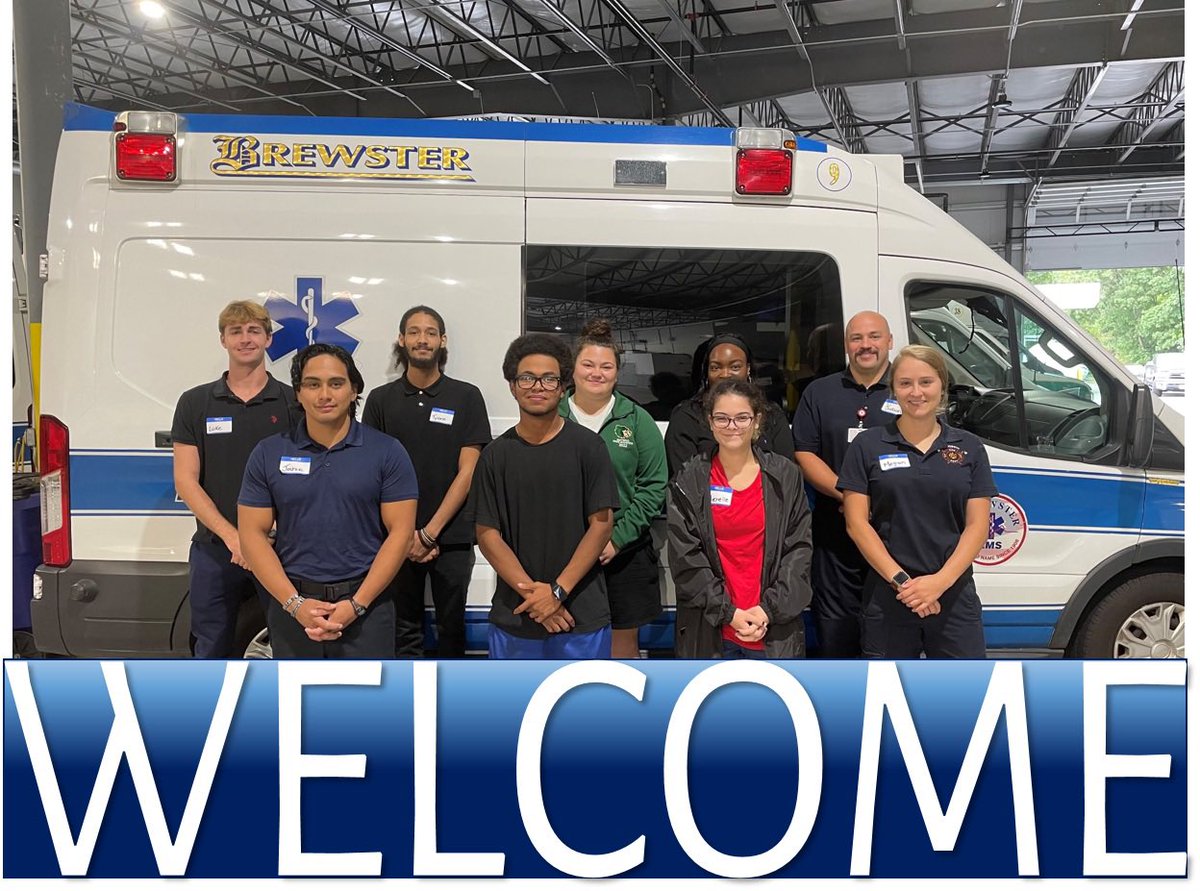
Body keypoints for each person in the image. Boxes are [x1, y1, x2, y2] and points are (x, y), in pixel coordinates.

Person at [238, 343, 418, 658]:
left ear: (354, 390)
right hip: (293, 609)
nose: (325, 394)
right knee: (297, 693)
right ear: (298, 393)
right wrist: (295, 605)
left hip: (367, 610)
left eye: (336, 383)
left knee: (367, 694)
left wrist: (357, 604)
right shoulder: (268, 453)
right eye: (313, 384)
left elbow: (401, 534)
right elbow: (252, 534)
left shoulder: (387, 452)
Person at [838, 345, 997, 659]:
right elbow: (856, 524)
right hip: (889, 596)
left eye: (926, 382)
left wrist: (938, 583)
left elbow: (978, 526)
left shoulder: (970, 447)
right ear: (893, 389)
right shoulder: (867, 445)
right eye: (905, 383)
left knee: (966, 689)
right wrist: (903, 583)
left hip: (953, 595)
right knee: (889, 688)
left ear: (942, 386)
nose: (916, 392)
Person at [469, 333, 619, 659]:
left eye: (549, 379)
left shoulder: (589, 448)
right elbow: (487, 534)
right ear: (512, 386)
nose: (537, 387)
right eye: (527, 378)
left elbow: (601, 526)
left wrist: (557, 591)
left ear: (563, 387)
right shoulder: (495, 456)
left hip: (580, 616)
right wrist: (538, 598)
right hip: (516, 616)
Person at [171, 300, 300, 658]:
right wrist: (235, 538)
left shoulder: (292, 403)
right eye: (236, 331)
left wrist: (262, 537)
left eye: (254, 331)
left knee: (288, 644)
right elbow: (186, 480)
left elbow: (306, 476)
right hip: (215, 548)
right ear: (223, 340)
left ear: (268, 339)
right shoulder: (195, 403)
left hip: (281, 548)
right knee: (211, 648)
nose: (245, 339)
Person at [363, 306, 491, 657]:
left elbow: (469, 470)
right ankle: (407, 693)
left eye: (431, 332)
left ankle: (452, 693)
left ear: (442, 341)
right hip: (395, 537)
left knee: (452, 629)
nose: (423, 339)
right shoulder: (380, 400)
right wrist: (406, 535)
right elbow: (372, 472)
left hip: (452, 537)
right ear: (401, 339)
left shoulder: (466, 396)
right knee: (403, 630)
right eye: (414, 332)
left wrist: (429, 533)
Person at [667, 378, 812, 658]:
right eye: (722, 418)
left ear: (757, 420)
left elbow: (798, 551)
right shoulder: (688, 480)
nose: (732, 426)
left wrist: (768, 610)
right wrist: (728, 613)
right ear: (710, 422)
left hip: (772, 629)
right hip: (711, 632)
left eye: (742, 418)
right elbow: (686, 559)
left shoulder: (785, 476)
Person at [792, 310, 899, 657]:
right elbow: (805, 453)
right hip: (834, 533)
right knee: (836, 631)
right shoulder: (819, 392)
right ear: (846, 345)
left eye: (874, 336)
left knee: (891, 630)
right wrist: (850, 497)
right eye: (857, 338)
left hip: (894, 532)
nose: (866, 345)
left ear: (890, 341)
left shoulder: (908, 389)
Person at [558, 319, 667, 658]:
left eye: (606, 367)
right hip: (563, 551)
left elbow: (653, 486)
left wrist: (617, 538)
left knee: (622, 647)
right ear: (573, 369)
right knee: (568, 640)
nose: (597, 373)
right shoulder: (552, 416)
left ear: (617, 373)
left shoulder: (637, 420)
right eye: (588, 364)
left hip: (622, 552)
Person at [665, 334, 794, 477]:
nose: (725, 374)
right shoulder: (686, 417)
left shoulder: (771, 414)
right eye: (715, 367)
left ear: (748, 369)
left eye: (735, 366)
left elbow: (786, 472)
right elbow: (684, 478)